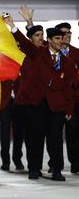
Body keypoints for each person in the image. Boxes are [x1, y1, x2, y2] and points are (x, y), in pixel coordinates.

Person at [4, 14, 75, 181]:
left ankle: (57, 170)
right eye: (57, 38)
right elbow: (25, 43)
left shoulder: (68, 63)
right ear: (49, 40)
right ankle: (34, 169)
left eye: (62, 38)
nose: (60, 41)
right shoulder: (38, 53)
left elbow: (68, 89)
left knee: (56, 140)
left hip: (56, 107)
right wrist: (12, 26)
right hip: (37, 105)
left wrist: (69, 108)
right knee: (35, 138)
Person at [54, 22, 79, 174]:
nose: (68, 35)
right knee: (54, 134)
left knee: (73, 132)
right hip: (55, 100)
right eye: (64, 33)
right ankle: (56, 164)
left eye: (69, 32)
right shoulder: (50, 52)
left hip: (74, 100)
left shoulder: (77, 53)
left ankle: (75, 162)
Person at [0, 79, 25, 171]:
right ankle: (5, 161)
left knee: (19, 132)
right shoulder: (3, 65)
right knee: (5, 133)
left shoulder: (21, 66)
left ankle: (17, 159)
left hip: (19, 102)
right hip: (5, 102)